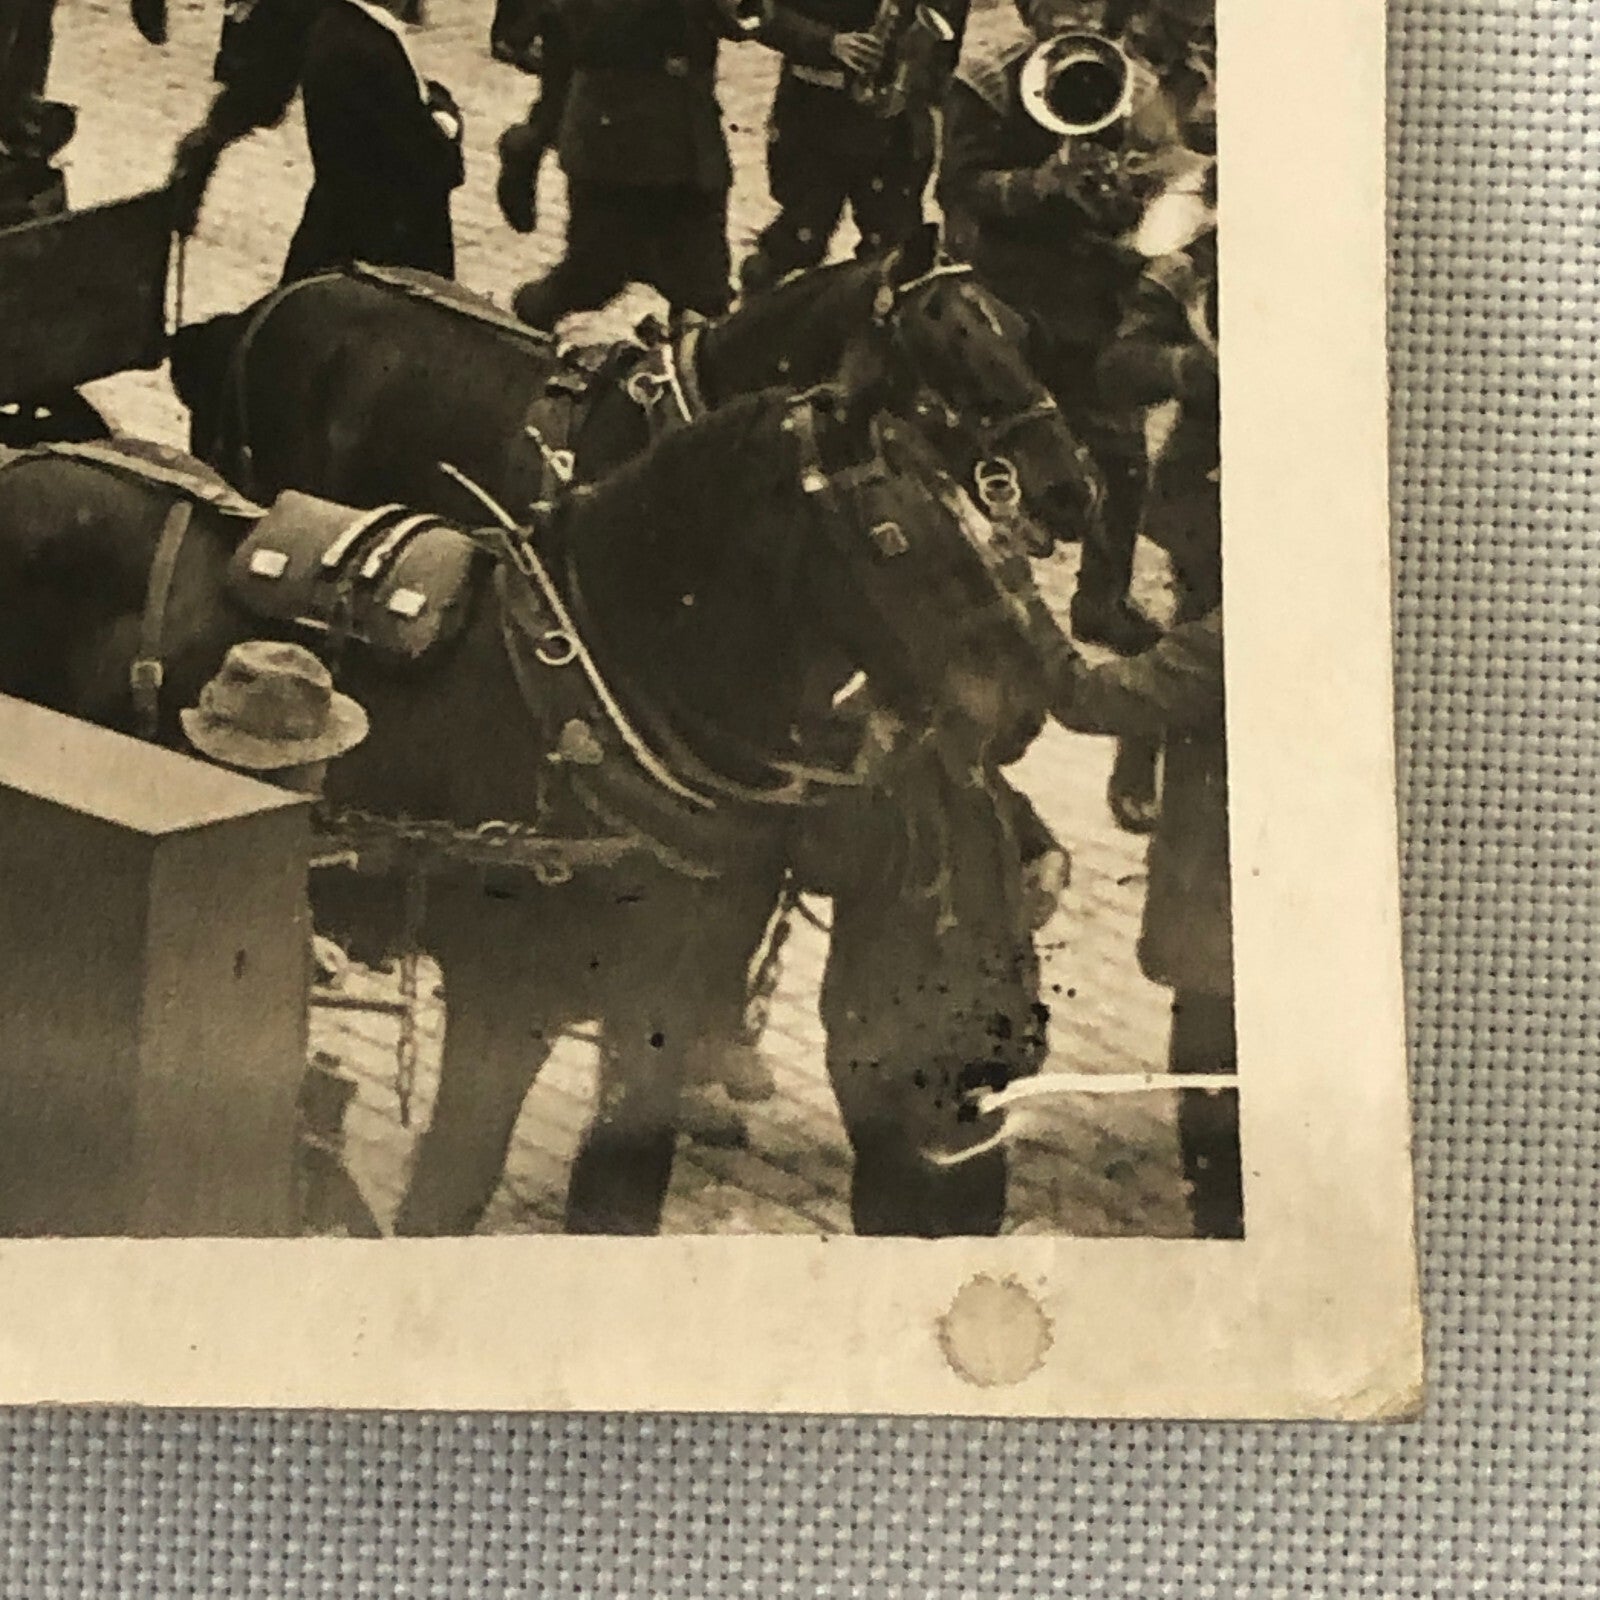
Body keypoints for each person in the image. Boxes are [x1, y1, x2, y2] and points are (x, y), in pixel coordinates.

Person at [937, 0, 1192, 657]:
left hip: (1089, 293)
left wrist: (1129, 193)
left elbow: (1166, 174)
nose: (1076, 10)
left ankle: (1101, 602)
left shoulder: (1129, 79)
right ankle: (981, 614)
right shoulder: (987, 79)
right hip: (1004, 288)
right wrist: (1038, 184)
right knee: (990, 455)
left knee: (1125, 460)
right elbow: (957, 187)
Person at [181, 639, 383, 1237]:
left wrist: (304, 942)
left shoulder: (254, 822)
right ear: (287, 765)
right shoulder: (236, 851)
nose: (326, 771)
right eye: (320, 757)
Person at [495, 0, 755, 333]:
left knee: (706, 291)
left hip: (691, 142)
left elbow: (745, 20)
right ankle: (524, 325)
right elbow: (590, 32)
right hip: (616, 147)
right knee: (592, 279)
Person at [735, 0, 970, 296]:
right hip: (816, 118)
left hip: (897, 126)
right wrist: (829, 43)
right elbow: (756, 12)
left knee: (896, 251)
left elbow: (947, 29)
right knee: (798, 242)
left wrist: (913, 83)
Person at [279, 0, 465, 283]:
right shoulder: (371, 48)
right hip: (383, 253)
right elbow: (427, 159)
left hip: (337, 231)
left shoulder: (342, 24)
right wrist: (447, 122)